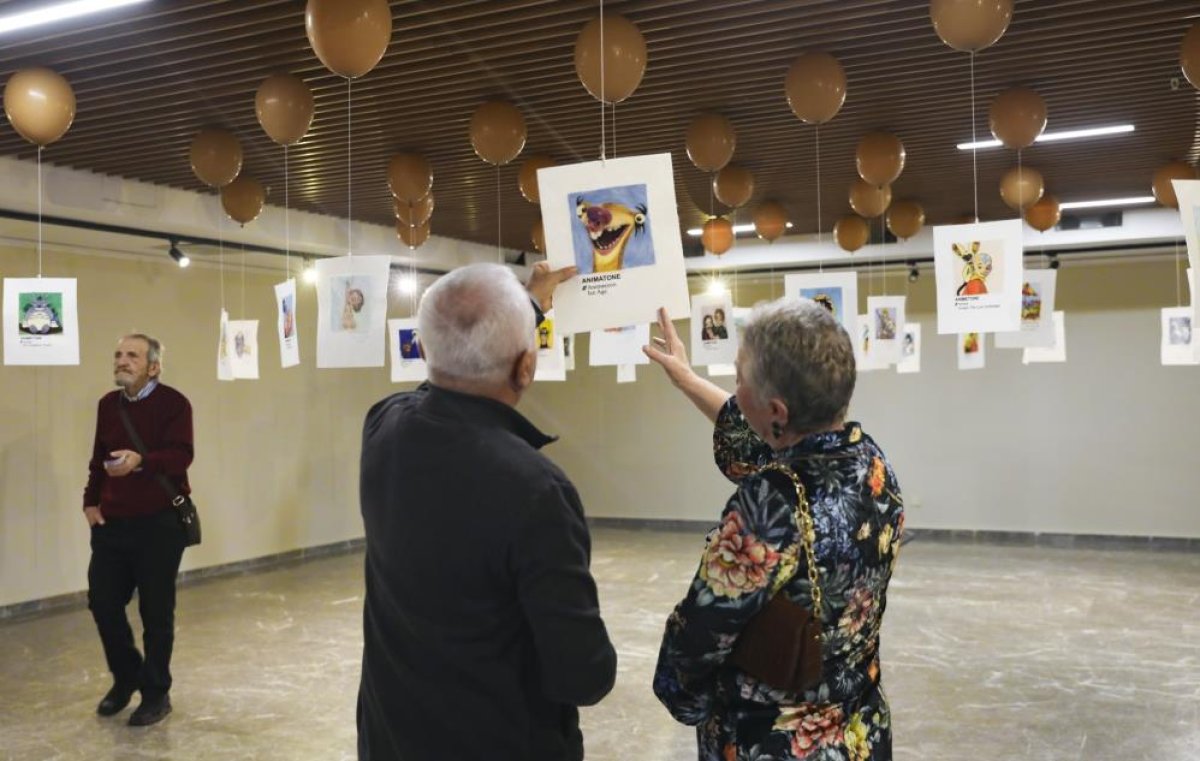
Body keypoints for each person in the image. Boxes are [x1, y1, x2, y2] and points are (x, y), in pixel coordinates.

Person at [357, 262, 617, 761]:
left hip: (393, 737)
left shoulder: (383, 428)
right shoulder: (537, 489)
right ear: (526, 368)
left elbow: (436, 384)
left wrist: (529, 307)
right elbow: (582, 674)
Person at [643, 300, 904, 760]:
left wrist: (686, 697)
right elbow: (764, 443)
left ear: (777, 409)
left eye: (739, 377)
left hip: (775, 742)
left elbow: (701, 635)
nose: (735, 386)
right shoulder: (870, 462)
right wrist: (685, 377)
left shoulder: (770, 503)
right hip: (858, 730)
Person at [83, 334, 193, 727]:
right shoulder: (107, 406)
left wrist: (141, 461)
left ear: (153, 366)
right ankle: (127, 675)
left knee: (156, 612)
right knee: (102, 601)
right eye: (118, 354)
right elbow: (98, 459)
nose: (122, 360)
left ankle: (156, 692)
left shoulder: (175, 404)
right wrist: (90, 501)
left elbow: (182, 455)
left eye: (132, 355)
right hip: (113, 523)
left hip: (159, 524)